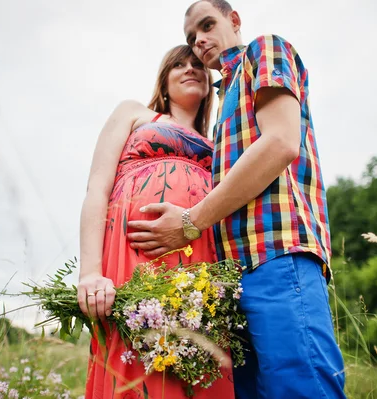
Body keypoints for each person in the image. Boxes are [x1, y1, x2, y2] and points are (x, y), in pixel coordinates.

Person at [126, 1, 347, 398]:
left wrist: (190, 222)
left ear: (235, 20)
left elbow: (281, 142)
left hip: (278, 254)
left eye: (207, 26)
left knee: (301, 388)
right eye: (191, 38)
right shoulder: (221, 103)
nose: (199, 41)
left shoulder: (264, 50)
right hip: (233, 277)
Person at [77, 44, 235, 399]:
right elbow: (96, 189)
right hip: (135, 254)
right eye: (178, 64)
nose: (190, 68)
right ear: (163, 83)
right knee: (137, 353)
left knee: (198, 357)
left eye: (197, 64)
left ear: (210, 85)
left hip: (200, 261)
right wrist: (90, 271)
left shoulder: (220, 142)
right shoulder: (134, 113)